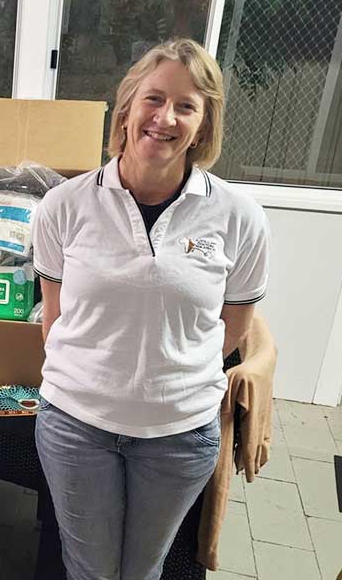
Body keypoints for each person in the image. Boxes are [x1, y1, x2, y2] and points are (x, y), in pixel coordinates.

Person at [32, 38, 270, 580]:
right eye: (154, 99)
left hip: (179, 434)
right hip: (77, 426)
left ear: (204, 123)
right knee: (89, 569)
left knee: (144, 571)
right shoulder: (63, 206)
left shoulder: (240, 217)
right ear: (127, 107)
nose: (165, 118)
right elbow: (55, 319)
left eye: (186, 106)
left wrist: (166, 376)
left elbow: (231, 330)